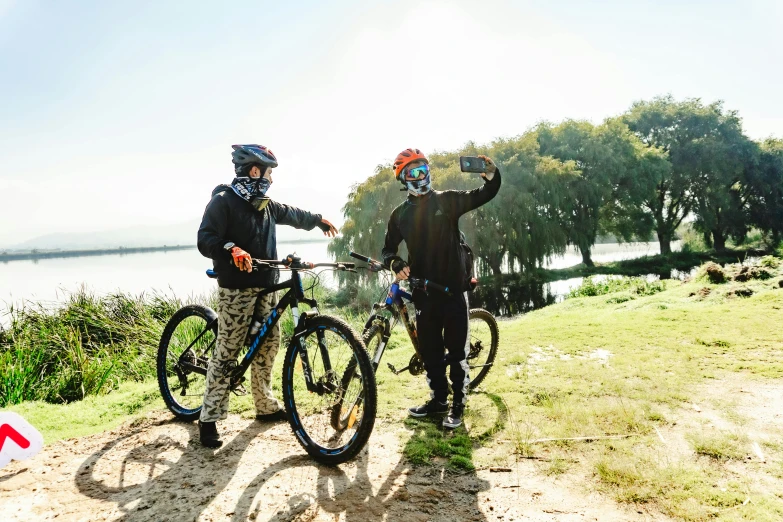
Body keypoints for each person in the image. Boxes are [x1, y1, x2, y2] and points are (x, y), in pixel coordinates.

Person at [196, 144, 338, 448]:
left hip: (268, 284)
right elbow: (206, 238)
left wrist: (317, 220)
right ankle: (208, 418)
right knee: (229, 347)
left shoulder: (265, 204)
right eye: (269, 172)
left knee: (270, 343)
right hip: (236, 287)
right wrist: (231, 249)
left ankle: (264, 405)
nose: (271, 179)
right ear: (255, 170)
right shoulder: (223, 202)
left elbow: (291, 213)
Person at [382, 148, 501, 429]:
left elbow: (483, 194)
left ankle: (458, 405)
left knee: (457, 353)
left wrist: (492, 175)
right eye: (413, 172)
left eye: (424, 170)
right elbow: (388, 250)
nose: (421, 176)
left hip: (453, 293)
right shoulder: (399, 215)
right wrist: (396, 262)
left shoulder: (446, 201)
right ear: (403, 177)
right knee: (431, 352)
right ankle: (438, 400)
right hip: (424, 295)